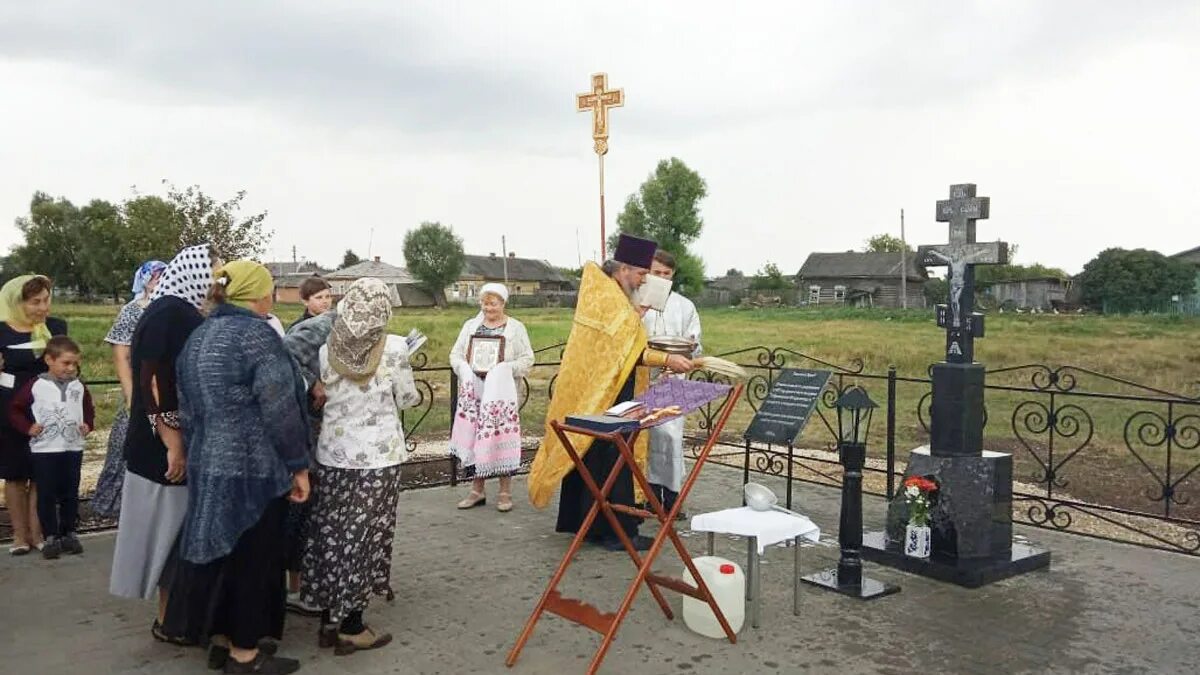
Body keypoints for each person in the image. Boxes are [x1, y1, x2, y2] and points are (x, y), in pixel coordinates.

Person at [170, 259, 311, 674]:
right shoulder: (257, 338)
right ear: (257, 294)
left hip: (208, 460)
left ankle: (221, 640)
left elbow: (187, 408)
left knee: (221, 557)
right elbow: (279, 409)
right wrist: (298, 465)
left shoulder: (199, 336)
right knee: (252, 560)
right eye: (269, 288)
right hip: (254, 469)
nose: (272, 295)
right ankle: (244, 656)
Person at [528, 234, 694, 552]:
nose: (644, 280)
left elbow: (621, 347)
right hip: (608, 393)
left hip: (599, 388)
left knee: (592, 455)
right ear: (624, 269)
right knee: (613, 456)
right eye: (642, 275)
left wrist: (637, 317)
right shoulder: (611, 300)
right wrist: (667, 358)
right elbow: (627, 351)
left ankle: (586, 525)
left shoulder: (607, 293)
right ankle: (617, 533)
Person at [302, 277, 420, 656]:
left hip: (333, 454)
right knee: (365, 535)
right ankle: (352, 625)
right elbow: (407, 397)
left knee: (332, 532)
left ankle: (327, 618)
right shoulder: (396, 347)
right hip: (378, 459)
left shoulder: (326, 347)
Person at [109, 244, 213, 643]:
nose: (214, 281)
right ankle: (172, 622)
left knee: (175, 534)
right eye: (212, 272)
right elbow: (155, 380)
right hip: (161, 446)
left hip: (159, 439)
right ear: (195, 273)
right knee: (172, 535)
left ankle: (176, 619)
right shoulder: (173, 313)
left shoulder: (167, 308)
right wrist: (173, 442)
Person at [449, 282, 534, 512]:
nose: (488, 308)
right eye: (485, 304)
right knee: (477, 439)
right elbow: (455, 355)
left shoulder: (515, 328)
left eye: (493, 304)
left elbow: (528, 359)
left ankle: (505, 492)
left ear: (503, 303)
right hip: (476, 393)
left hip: (502, 396)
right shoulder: (470, 326)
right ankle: (477, 490)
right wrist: (464, 369)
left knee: (499, 437)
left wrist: (505, 369)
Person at [92, 260, 167, 519]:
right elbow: (121, 355)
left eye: (163, 276)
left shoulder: (170, 309)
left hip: (167, 392)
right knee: (128, 447)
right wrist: (131, 395)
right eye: (154, 276)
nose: (158, 280)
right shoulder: (132, 310)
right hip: (139, 394)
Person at [8, 336, 94, 559]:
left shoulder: (79, 386)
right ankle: (50, 535)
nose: (71, 368)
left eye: (75, 363)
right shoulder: (36, 385)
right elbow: (15, 409)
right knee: (46, 494)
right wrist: (28, 427)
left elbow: (88, 409)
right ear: (49, 360)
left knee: (70, 493)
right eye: (66, 363)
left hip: (73, 447)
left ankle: (69, 532)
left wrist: (88, 425)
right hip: (45, 450)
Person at [0, 274, 66, 556]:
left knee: (41, 472)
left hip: (47, 408)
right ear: (18, 302)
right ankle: (19, 535)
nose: (42, 308)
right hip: (10, 409)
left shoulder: (56, 327)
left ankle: (39, 532)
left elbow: (68, 362)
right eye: (35, 302)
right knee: (15, 474)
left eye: (46, 300)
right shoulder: (1, 331)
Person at [280, 306, 339, 617]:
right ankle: (296, 585)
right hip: (307, 426)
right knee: (302, 509)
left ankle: (310, 582)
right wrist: (312, 380)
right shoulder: (320, 327)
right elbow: (285, 354)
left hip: (328, 427)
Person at [642, 250, 702, 519]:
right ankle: (645, 495)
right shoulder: (637, 303)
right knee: (642, 437)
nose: (662, 278)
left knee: (670, 437)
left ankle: (673, 498)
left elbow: (694, 341)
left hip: (673, 380)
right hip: (642, 379)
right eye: (657, 273)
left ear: (673, 276)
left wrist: (686, 351)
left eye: (667, 274)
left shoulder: (684, 305)